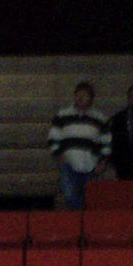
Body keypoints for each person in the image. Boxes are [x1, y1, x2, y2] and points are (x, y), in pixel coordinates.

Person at [46, 81, 109, 210]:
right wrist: (58, 155)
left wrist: (102, 161)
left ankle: (82, 224)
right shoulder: (62, 115)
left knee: (88, 199)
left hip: (91, 165)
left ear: (91, 99)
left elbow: (106, 142)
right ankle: (76, 223)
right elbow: (53, 138)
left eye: (84, 95)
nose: (80, 98)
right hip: (68, 164)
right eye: (78, 95)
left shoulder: (100, 118)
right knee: (70, 196)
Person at [109, 84, 133, 180]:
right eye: (132, 97)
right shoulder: (118, 118)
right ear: (128, 98)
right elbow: (115, 142)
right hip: (124, 165)